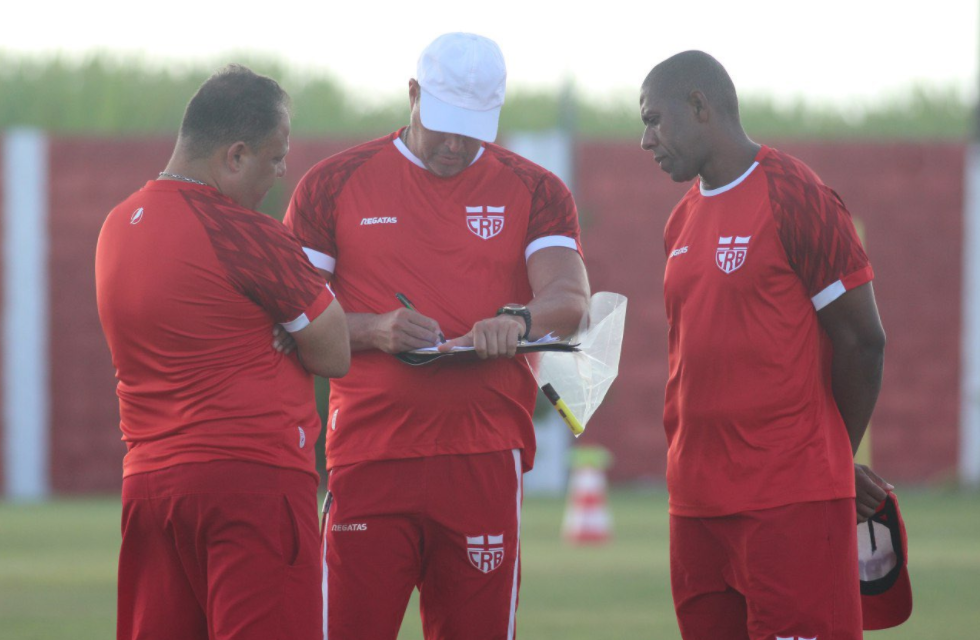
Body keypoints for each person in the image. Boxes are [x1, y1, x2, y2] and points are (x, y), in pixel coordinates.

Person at [284, 32, 590, 640]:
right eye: (444, 124)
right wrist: (374, 329)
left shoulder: (536, 189)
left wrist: (520, 321)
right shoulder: (332, 183)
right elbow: (288, 315)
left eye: (473, 129)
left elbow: (571, 302)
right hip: (370, 457)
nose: (455, 144)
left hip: (484, 457)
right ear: (413, 94)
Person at [639, 51, 889, 640]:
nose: (645, 139)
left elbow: (863, 341)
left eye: (654, 119)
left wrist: (828, 458)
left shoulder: (795, 194)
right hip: (695, 506)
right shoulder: (681, 219)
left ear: (700, 106)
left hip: (788, 502)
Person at [95, 64, 350, 640]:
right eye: (276, 156)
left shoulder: (115, 226)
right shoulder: (243, 231)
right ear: (235, 156)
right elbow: (333, 351)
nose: (283, 171)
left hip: (149, 488)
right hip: (249, 485)